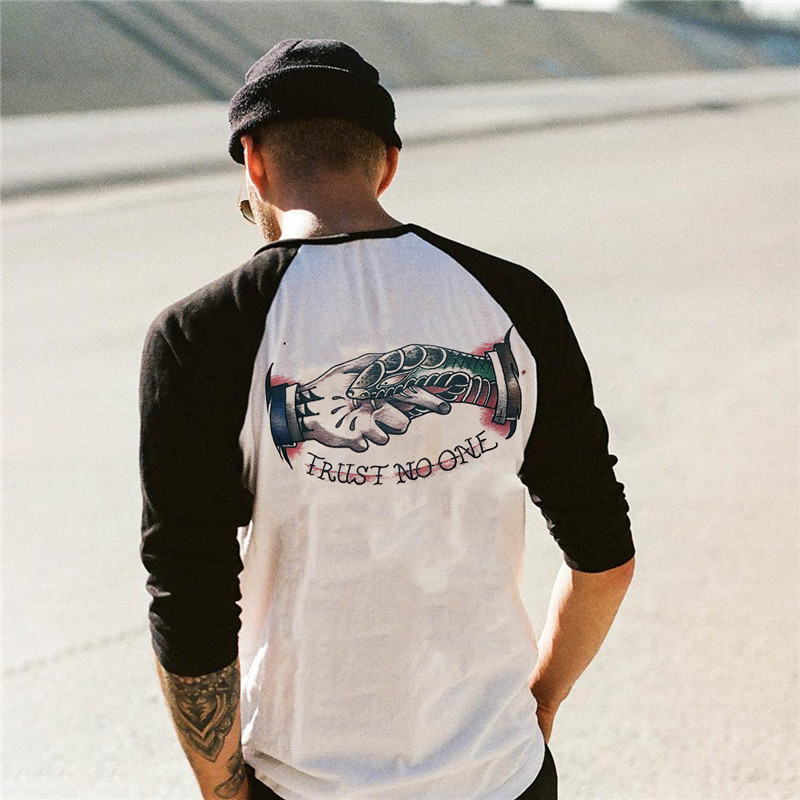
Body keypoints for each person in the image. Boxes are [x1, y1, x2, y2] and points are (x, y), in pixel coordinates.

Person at [138, 38, 635, 800]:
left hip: (305, 783)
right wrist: (540, 700)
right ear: (388, 165)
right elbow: (605, 558)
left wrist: (222, 786)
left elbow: (190, 601)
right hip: (500, 774)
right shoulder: (516, 301)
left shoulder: (200, 336)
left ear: (254, 163)